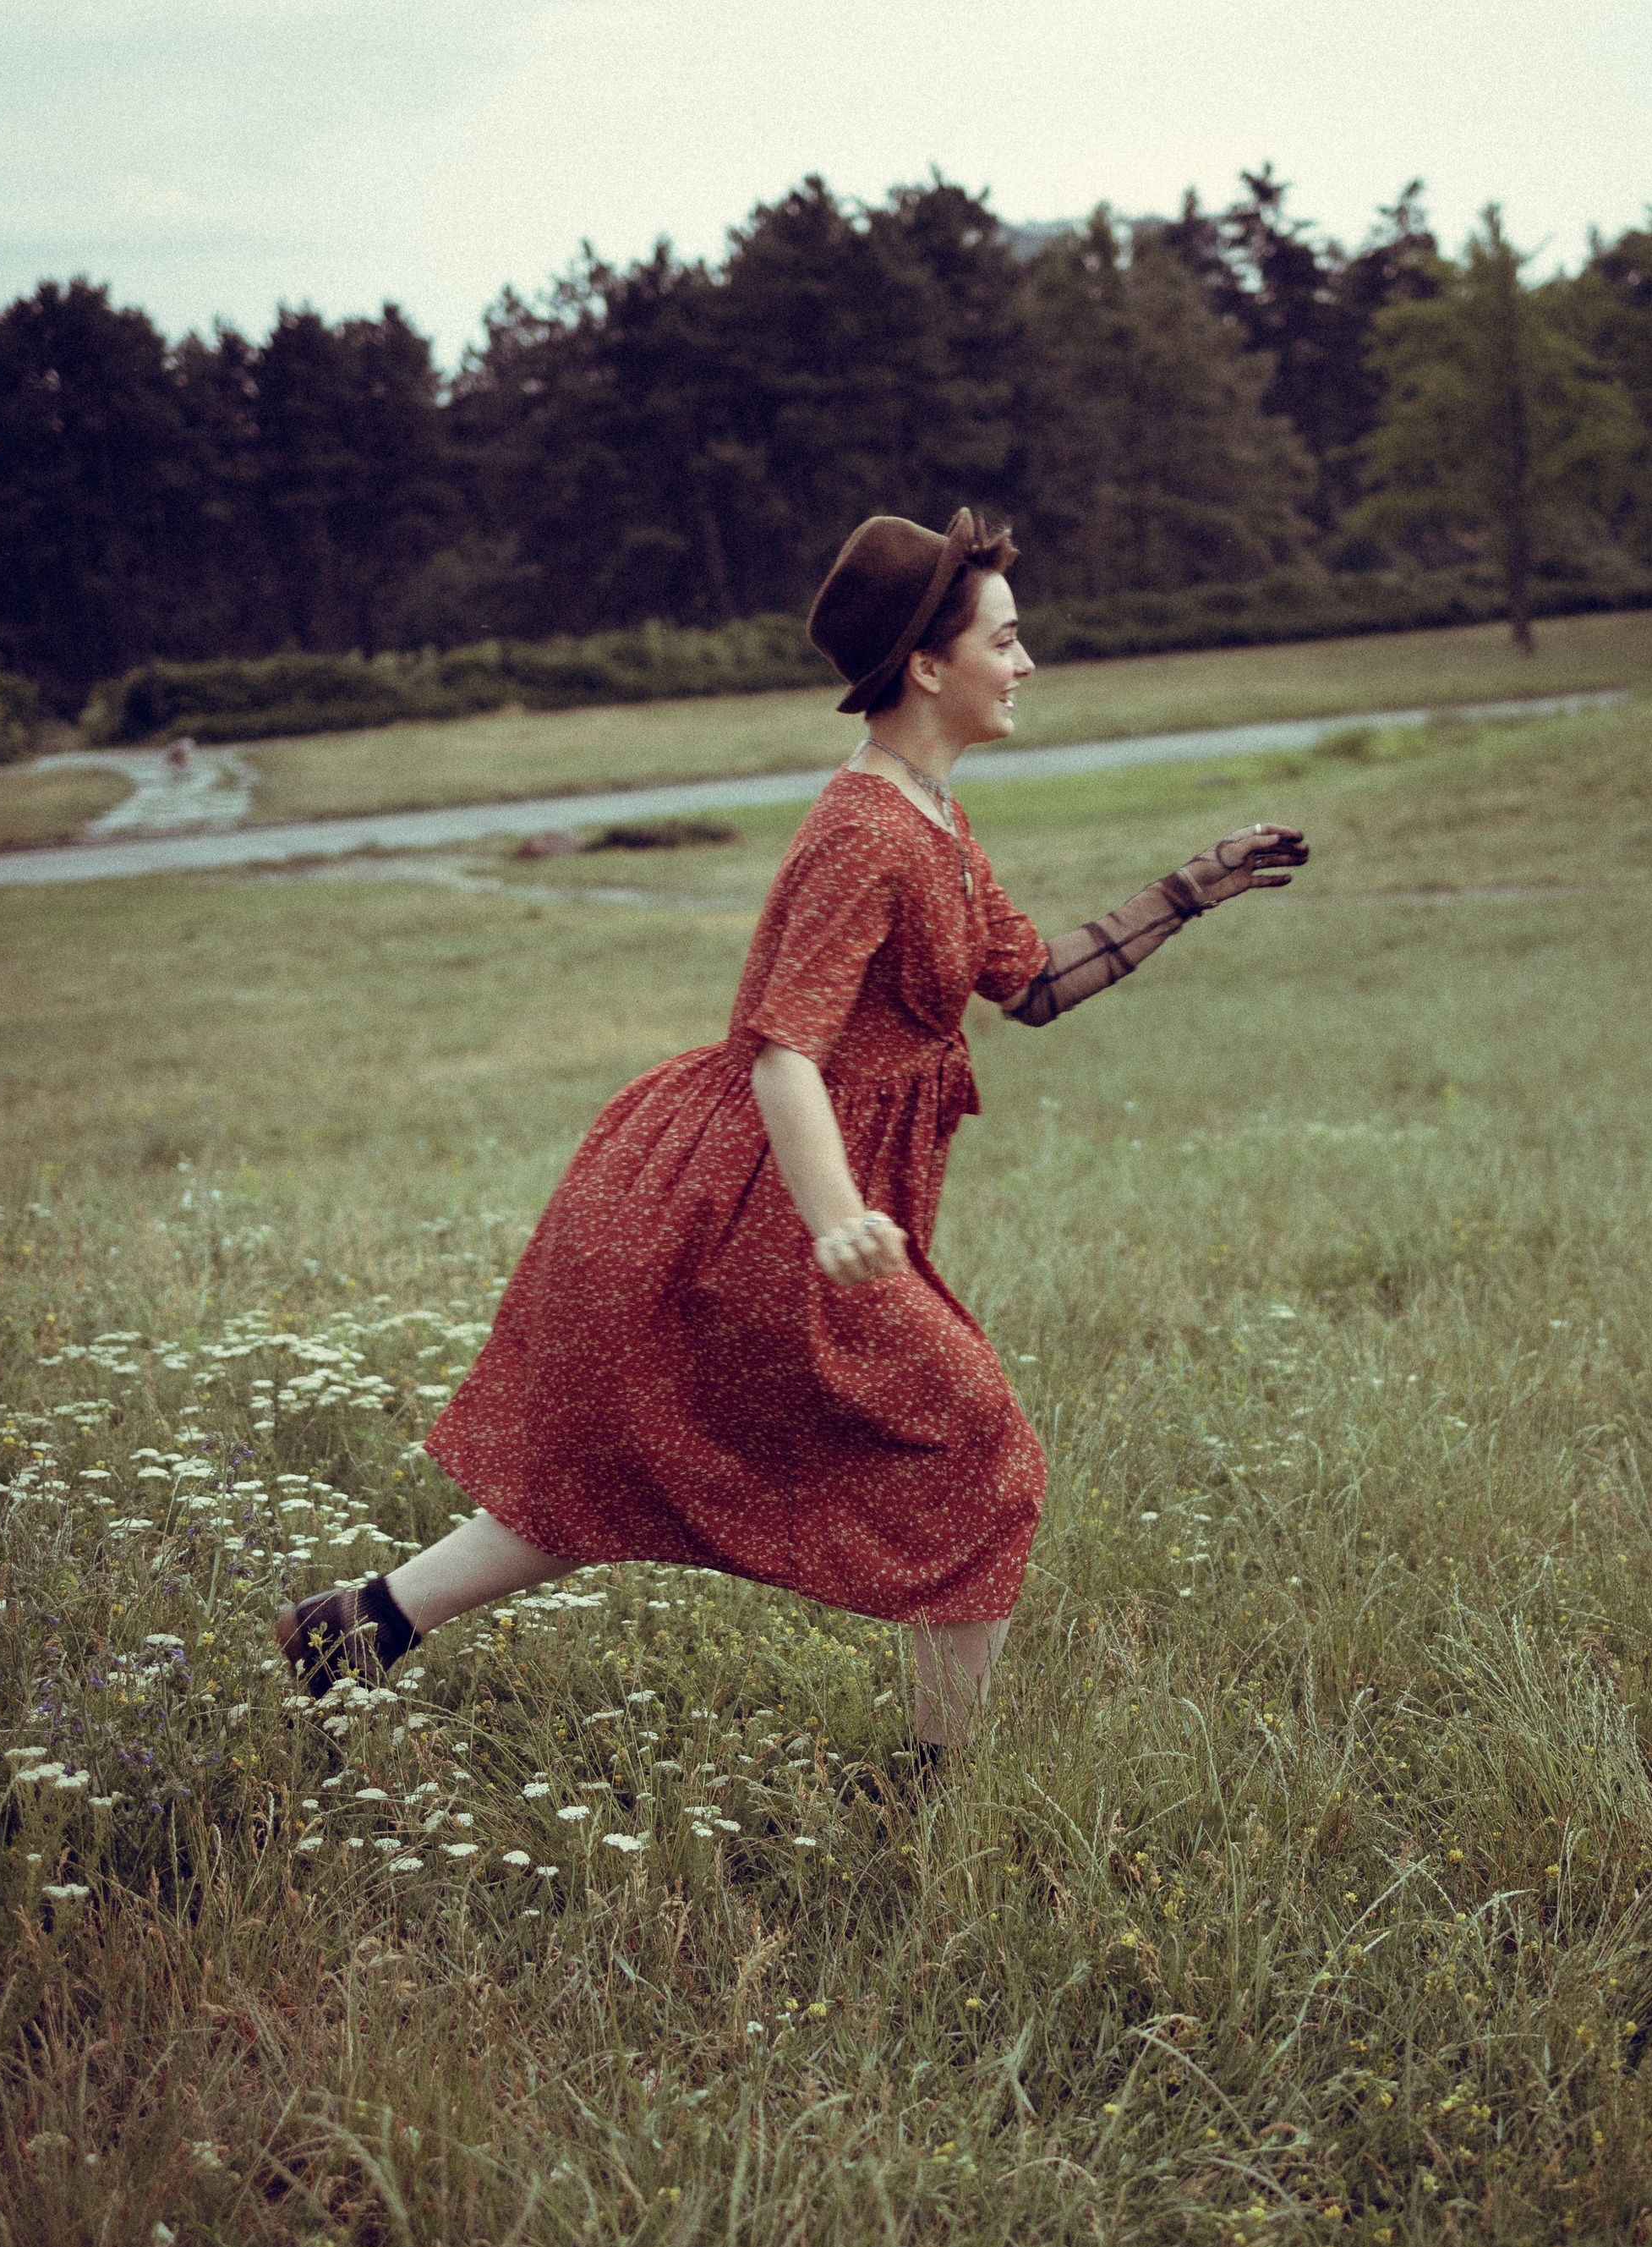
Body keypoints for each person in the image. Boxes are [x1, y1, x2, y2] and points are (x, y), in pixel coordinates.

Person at [275, 507, 1306, 1762]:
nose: (1026, 663)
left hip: (781, 1202)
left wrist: (1194, 888)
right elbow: (783, 1049)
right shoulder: (863, 833)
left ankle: (359, 1626)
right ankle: (935, 1789)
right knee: (985, 1451)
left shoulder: (931, 819)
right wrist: (836, 1221)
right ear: (929, 664)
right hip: (753, 1206)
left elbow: (1031, 986)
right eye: (1007, 639)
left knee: (631, 1458)